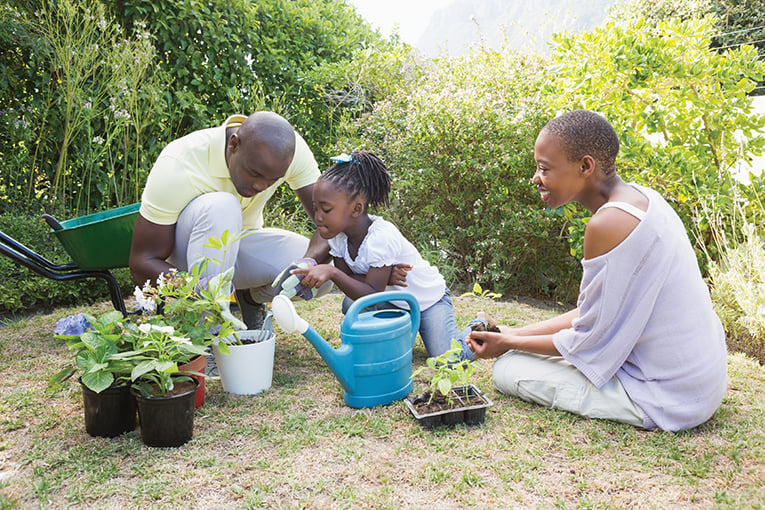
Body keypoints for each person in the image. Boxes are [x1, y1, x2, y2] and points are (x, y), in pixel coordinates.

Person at [467, 110, 728, 431]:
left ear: (585, 166)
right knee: (518, 353)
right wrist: (512, 333)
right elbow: (596, 313)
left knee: (508, 370)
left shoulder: (607, 224)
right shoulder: (646, 199)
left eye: (543, 168)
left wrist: (509, 345)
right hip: (703, 380)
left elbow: (587, 338)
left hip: (669, 396)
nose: (535, 178)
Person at [129, 111, 332, 329]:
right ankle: (208, 332)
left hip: (237, 251)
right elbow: (142, 262)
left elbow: (331, 223)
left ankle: (250, 299)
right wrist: (193, 288)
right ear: (233, 145)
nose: (260, 186)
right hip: (186, 263)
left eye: (272, 180)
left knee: (322, 275)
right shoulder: (180, 161)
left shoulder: (288, 151)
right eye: (254, 173)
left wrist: (310, 260)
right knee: (223, 206)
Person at [291, 151, 476, 360]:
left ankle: (479, 327)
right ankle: (395, 334)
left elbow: (369, 291)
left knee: (449, 359)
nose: (318, 217)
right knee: (351, 305)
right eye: (316, 209)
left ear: (356, 209)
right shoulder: (338, 237)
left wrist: (333, 272)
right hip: (393, 300)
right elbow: (351, 284)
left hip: (428, 301)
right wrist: (384, 278)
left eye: (326, 209)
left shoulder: (380, 237)